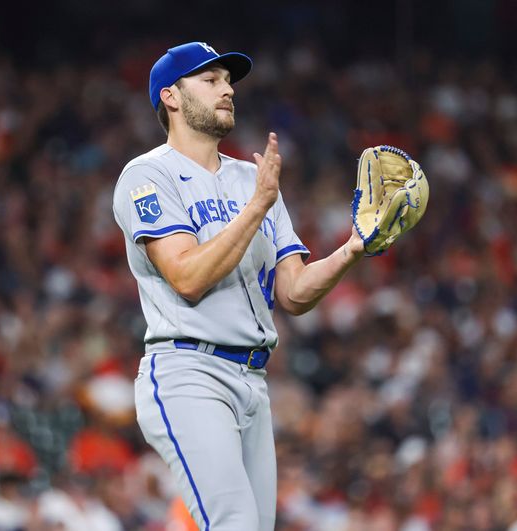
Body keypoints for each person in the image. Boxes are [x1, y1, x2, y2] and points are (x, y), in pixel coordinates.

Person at [112, 41, 367, 530]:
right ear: (170, 96)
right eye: (209, 81)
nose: (227, 89)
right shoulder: (147, 176)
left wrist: (353, 247)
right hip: (190, 372)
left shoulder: (252, 177)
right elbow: (186, 276)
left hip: (253, 380)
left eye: (228, 81)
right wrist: (257, 206)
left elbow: (292, 293)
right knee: (234, 524)